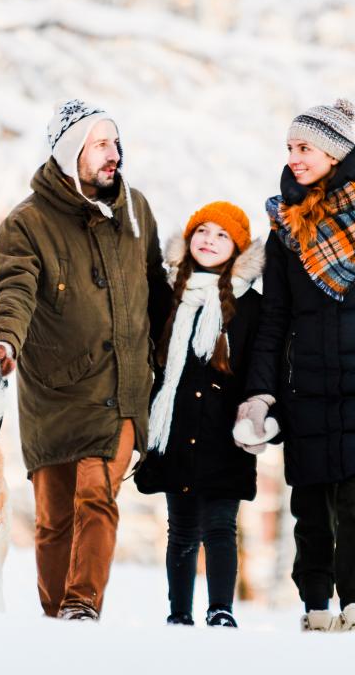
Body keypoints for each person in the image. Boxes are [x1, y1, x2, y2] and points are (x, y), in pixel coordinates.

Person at [237, 99, 355, 636]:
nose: (294, 158)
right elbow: (274, 318)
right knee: (311, 505)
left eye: (304, 148)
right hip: (306, 386)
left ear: (334, 152)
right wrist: (260, 393)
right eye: (290, 149)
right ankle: (317, 609)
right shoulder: (285, 223)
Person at [0, 98, 170, 621]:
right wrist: (4, 343)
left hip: (123, 390)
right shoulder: (27, 224)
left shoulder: (137, 210)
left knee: (98, 492)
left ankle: (82, 605)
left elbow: (157, 291)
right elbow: (14, 291)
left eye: (116, 142)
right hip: (55, 392)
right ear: (71, 155)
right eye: (100, 145)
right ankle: (55, 616)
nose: (114, 154)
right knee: (53, 519)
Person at [135, 202, 263, 628]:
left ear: (237, 247)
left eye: (221, 234)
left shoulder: (251, 305)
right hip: (175, 428)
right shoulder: (168, 294)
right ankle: (179, 614)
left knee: (222, 527)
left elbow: (260, 368)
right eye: (202, 231)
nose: (209, 240)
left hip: (224, 432)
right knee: (182, 528)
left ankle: (221, 610)